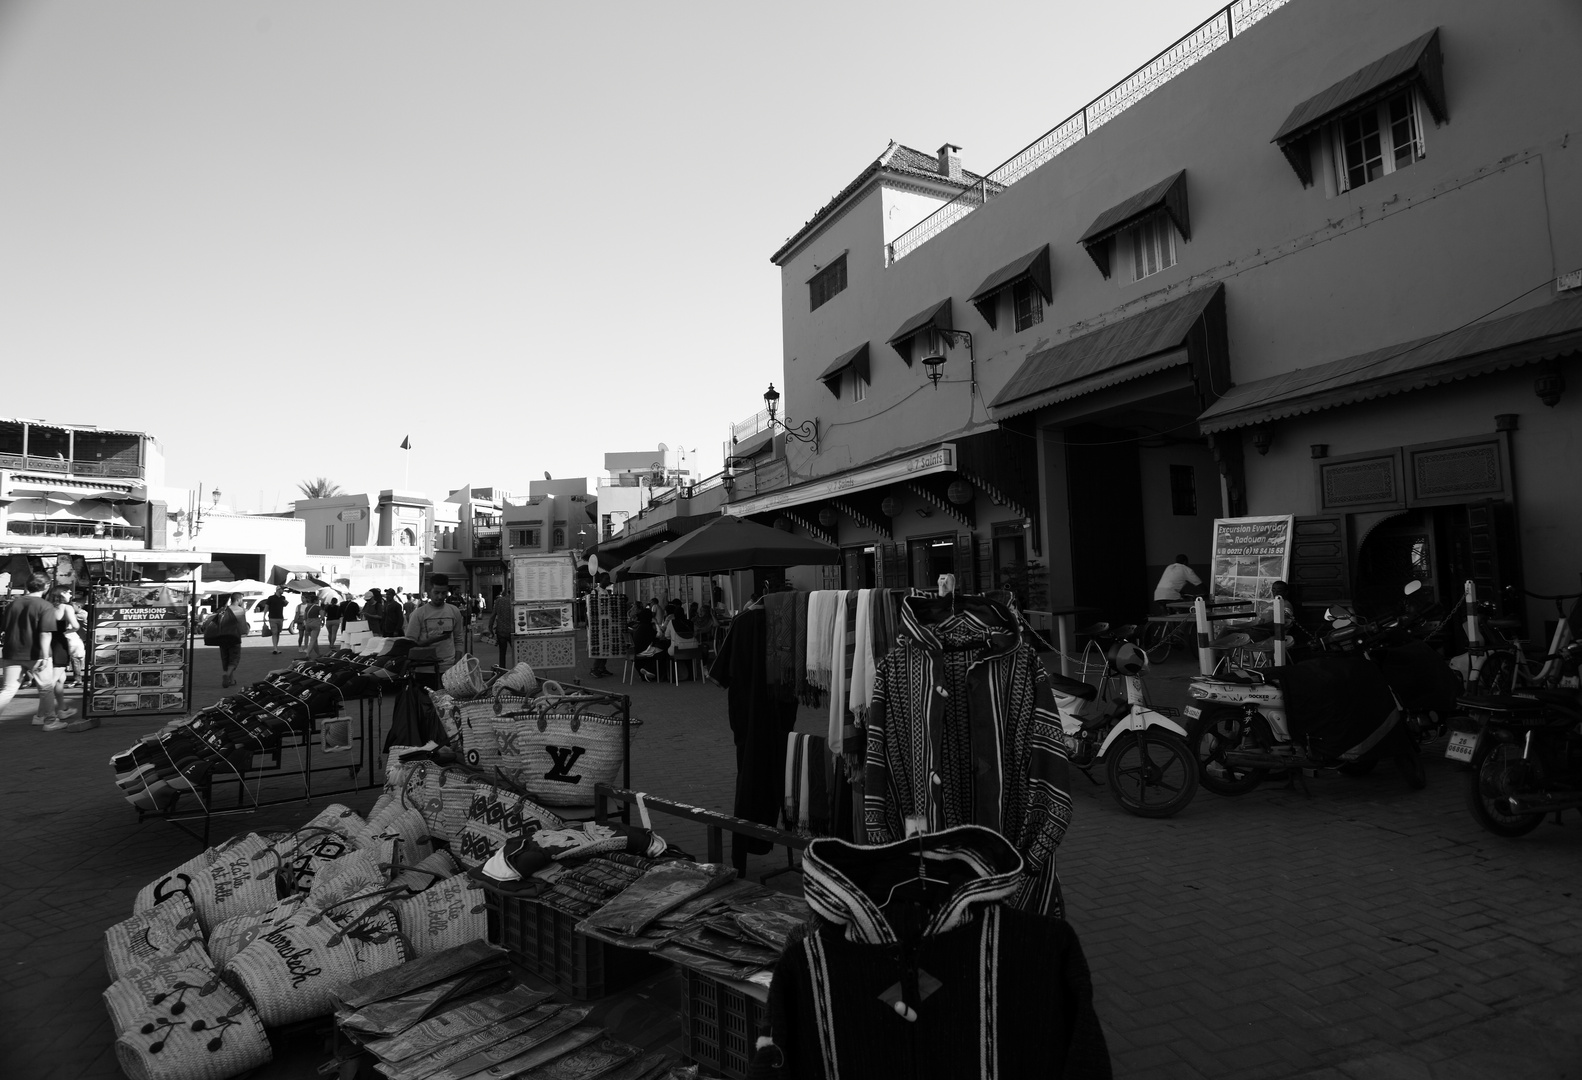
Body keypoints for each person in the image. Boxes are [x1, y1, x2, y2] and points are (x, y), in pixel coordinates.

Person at [0, 573, 70, 728]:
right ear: (46, 586)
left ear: (27, 586)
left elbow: (4, 628)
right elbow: (45, 632)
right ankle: (50, 721)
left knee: (8, 689)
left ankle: (47, 719)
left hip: (11, 651)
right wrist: (45, 655)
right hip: (35, 652)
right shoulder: (45, 606)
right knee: (45, 688)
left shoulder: (13, 604)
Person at [405, 574, 465, 672]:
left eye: (443, 593)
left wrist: (457, 663)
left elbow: (458, 640)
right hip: (425, 668)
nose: (440, 596)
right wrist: (433, 640)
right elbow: (410, 644)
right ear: (429, 592)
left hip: (449, 667)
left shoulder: (454, 611)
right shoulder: (418, 614)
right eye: (436, 592)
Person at [212, 592, 249, 688]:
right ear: (238, 600)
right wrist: (244, 632)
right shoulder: (240, 610)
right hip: (234, 637)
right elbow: (243, 626)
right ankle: (227, 674)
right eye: (242, 599)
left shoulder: (223, 610)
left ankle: (231, 680)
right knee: (234, 658)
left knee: (226, 658)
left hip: (222, 637)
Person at [628, 607, 659, 682]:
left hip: (634, 651)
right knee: (662, 651)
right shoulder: (648, 626)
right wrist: (656, 623)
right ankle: (649, 669)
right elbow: (658, 635)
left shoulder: (639, 626)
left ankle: (648, 670)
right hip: (644, 651)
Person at [491, 588, 514, 669]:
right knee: (516, 653)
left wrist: (490, 628)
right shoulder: (514, 601)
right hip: (513, 632)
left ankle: (502, 670)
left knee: (502, 653)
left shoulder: (499, 601)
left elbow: (493, 615)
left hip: (501, 631)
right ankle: (518, 671)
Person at [261, 587, 289, 653]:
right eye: (282, 589)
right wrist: (264, 616)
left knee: (278, 632)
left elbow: (283, 605)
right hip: (272, 618)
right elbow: (266, 607)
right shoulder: (271, 598)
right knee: (274, 632)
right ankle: (275, 648)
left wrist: (286, 603)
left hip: (280, 618)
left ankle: (276, 647)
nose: (283, 591)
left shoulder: (283, 598)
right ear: (278, 590)